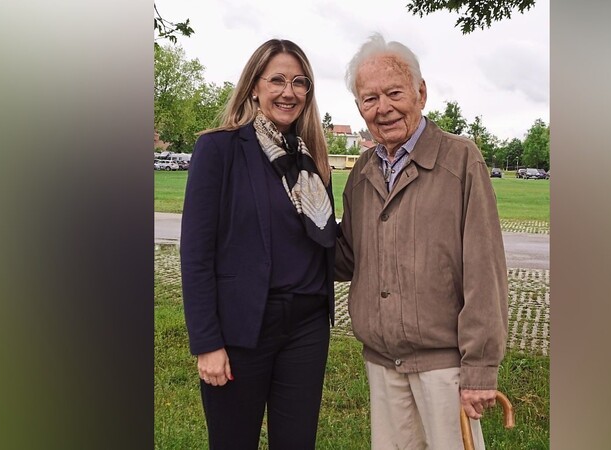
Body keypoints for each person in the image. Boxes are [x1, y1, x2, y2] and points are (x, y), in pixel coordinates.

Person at [335, 33, 509, 450]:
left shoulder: (461, 159)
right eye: (369, 98)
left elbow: (485, 270)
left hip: (444, 365)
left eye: (394, 92)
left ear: (421, 92)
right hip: (382, 363)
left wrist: (480, 368)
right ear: (359, 107)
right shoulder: (362, 171)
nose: (383, 108)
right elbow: (344, 258)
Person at [180, 38, 336, 449]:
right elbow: (195, 256)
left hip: (306, 327)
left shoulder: (312, 159)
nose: (290, 91)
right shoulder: (219, 148)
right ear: (254, 86)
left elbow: (324, 241)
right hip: (241, 328)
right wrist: (207, 343)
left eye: (300, 82)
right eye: (278, 80)